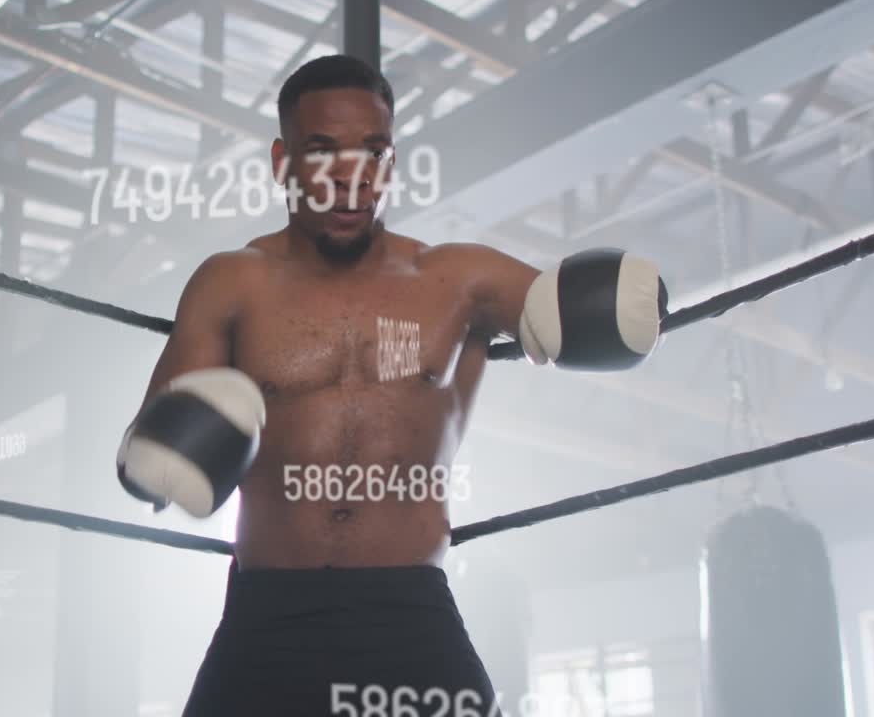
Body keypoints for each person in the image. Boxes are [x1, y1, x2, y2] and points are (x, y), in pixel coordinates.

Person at [116, 54, 666, 717]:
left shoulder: (460, 279)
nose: (350, 179)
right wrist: (171, 454)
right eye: (321, 153)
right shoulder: (231, 282)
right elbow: (152, 453)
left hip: (410, 612)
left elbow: (591, 311)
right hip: (268, 614)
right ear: (281, 164)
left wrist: (622, 303)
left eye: (372, 152)